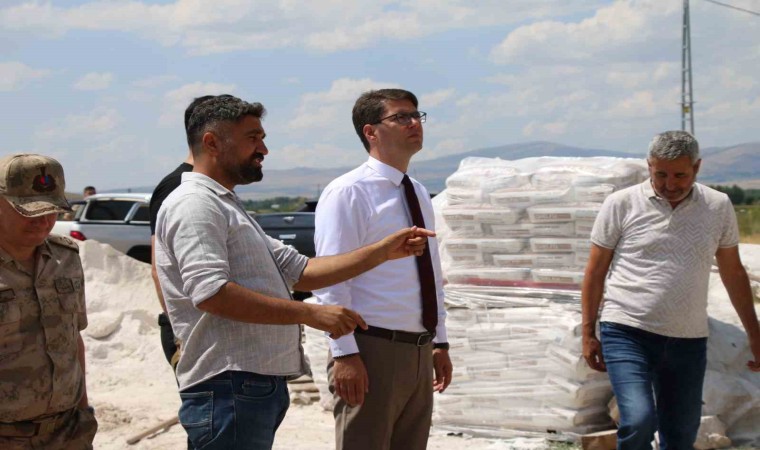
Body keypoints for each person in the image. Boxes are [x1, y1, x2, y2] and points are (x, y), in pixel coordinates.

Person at [154, 94, 434, 450]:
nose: (264, 149)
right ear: (212, 143)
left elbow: (301, 271)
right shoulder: (195, 204)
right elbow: (212, 293)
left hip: (249, 384)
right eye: (252, 138)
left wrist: (381, 252)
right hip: (228, 383)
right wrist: (310, 313)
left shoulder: (225, 205)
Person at [581, 130, 760, 450]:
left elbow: (733, 272)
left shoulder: (717, 206)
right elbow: (595, 272)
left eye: (680, 175)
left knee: (680, 436)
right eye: (661, 174)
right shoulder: (621, 204)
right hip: (627, 331)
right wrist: (588, 332)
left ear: (697, 167)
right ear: (649, 166)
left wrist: (755, 334)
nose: (670, 184)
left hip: (687, 340)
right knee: (638, 420)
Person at [314, 88, 453, 450]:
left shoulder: (417, 191)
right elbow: (330, 279)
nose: (414, 123)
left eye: (417, 115)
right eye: (401, 117)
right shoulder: (349, 192)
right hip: (371, 347)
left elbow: (430, 271)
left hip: (417, 348)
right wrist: (345, 353)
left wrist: (439, 341)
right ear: (370, 131)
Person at [0, 154, 98, 449]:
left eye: (51, 210)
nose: (43, 222)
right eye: (29, 212)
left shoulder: (65, 258)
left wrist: (83, 412)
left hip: (68, 432)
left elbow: (73, 340)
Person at [150, 94, 215, 370]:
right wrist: (181, 336)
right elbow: (159, 267)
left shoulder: (209, 185)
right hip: (189, 333)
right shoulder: (177, 186)